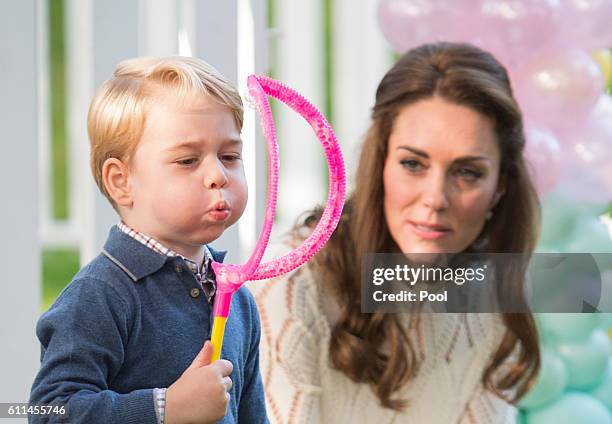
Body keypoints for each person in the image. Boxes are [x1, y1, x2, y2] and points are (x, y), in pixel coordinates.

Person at [247, 42, 540, 423]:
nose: (435, 198)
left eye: (467, 172)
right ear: (380, 163)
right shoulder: (289, 282)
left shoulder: (496, 293)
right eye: (413, 164)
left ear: (500, 187)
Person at [30, 57, 268, 424]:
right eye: (188, 160)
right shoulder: (101, 295)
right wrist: (165, 408)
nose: (218, 175)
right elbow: (49, 412)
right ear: (121, 181)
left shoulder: (237, 299)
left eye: (230, 156)